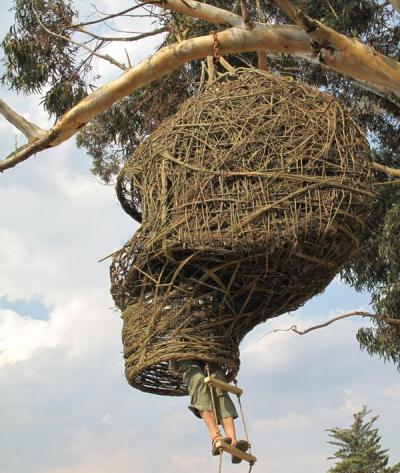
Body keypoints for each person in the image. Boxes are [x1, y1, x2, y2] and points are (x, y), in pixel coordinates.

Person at [169, 359, 249, 463]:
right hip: (186, 360)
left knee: (220, 386)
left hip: (213, 357)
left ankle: (233, 442)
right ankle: (215, 437)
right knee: (198, 379)